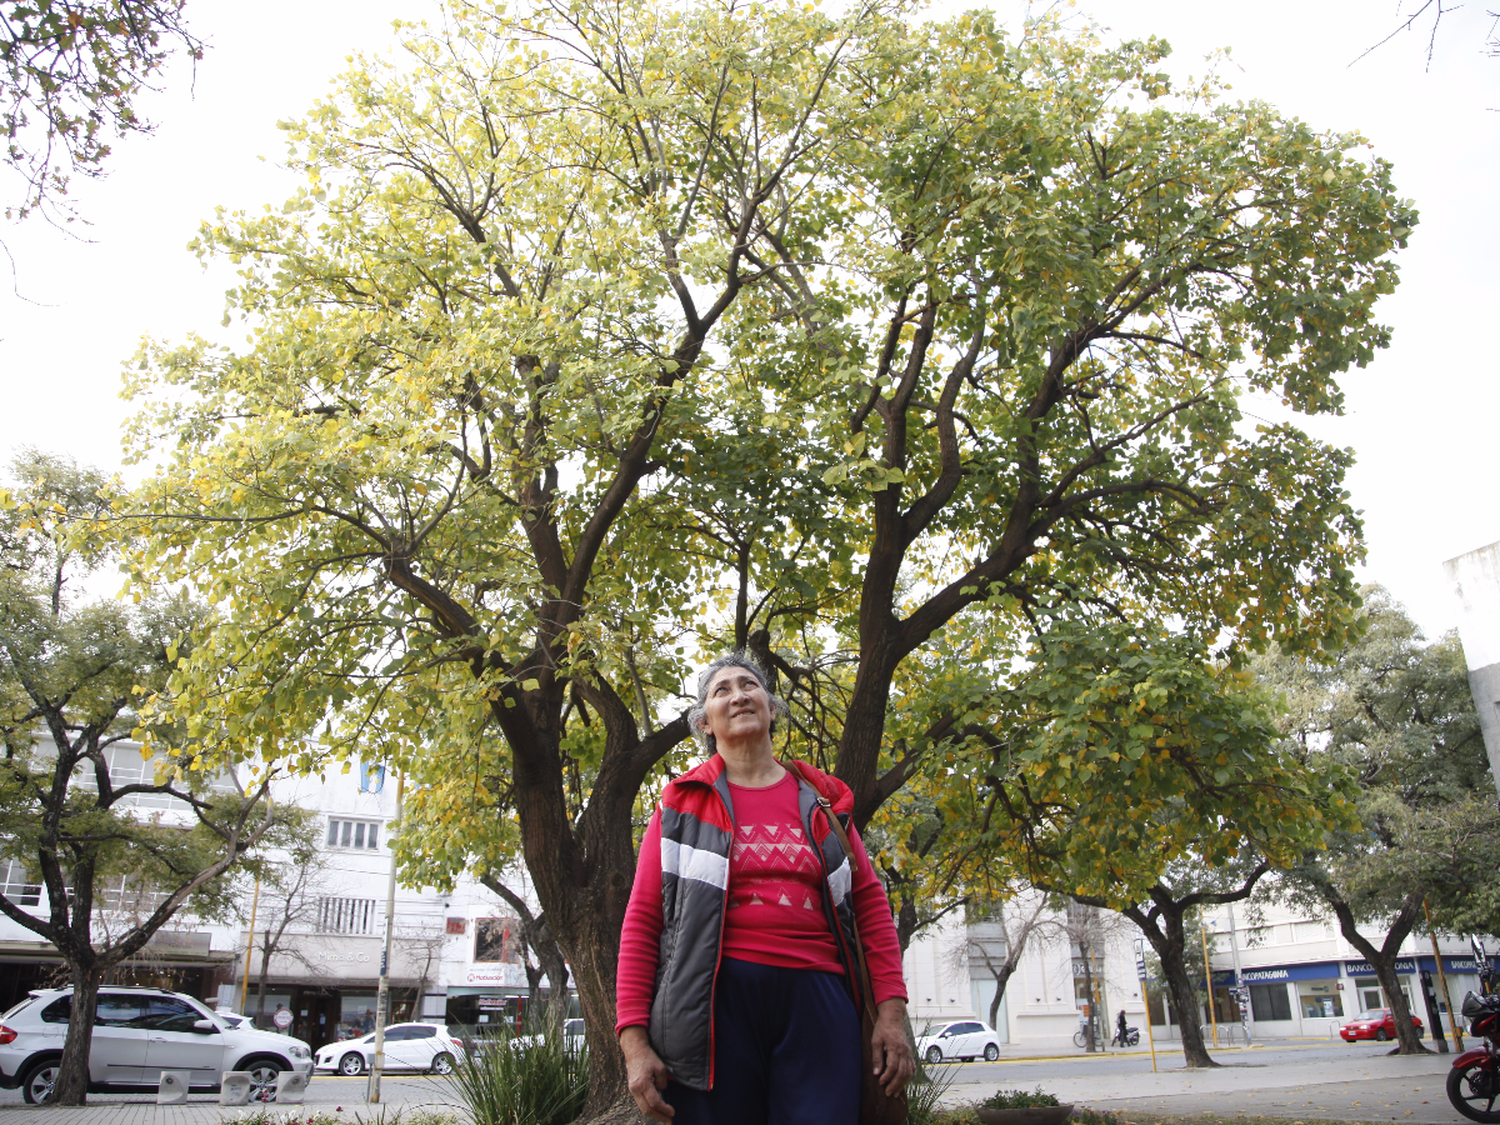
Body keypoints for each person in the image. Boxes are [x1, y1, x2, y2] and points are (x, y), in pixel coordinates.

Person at [616, 652, 915, 1124]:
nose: (738, 696)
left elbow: (872, 907)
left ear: (772, 708)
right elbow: (643, 921)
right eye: (722, 691)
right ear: (705, 723)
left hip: (819, 1006)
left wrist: (892, 1016)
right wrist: (633, 1044)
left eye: (749, 685)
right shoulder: (680, 807)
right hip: (712, 1013)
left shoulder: (823, 804)